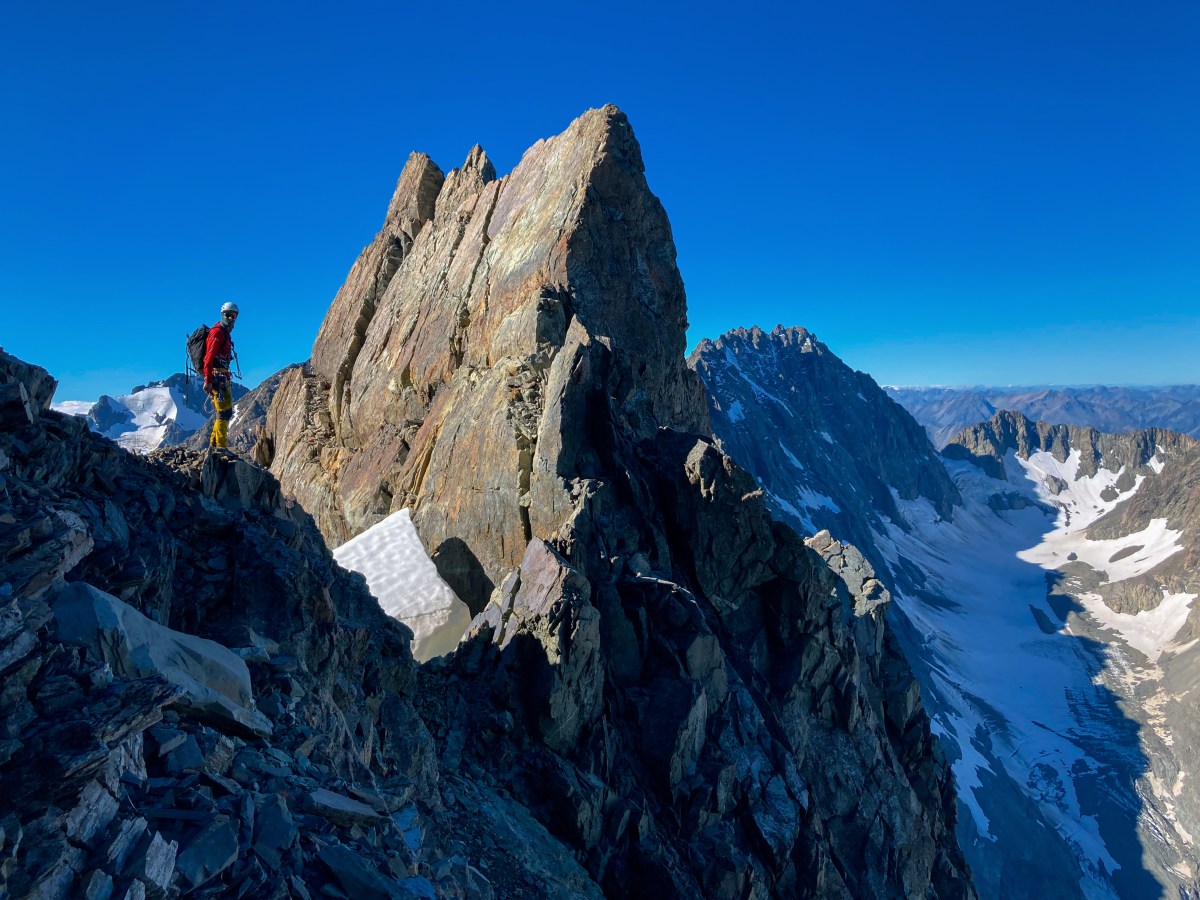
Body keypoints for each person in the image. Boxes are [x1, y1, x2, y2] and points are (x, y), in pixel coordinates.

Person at [203, 301, 239, 450]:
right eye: (228, 315)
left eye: (233, 316)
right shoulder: (217, 332)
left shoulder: (224, 333)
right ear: (222, 314)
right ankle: (221, 446)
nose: (230, 318)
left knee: (222, 412)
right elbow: (208, 358)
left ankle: (214, 444)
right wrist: (208, 380)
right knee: (225, 412)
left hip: (222, 377)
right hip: (218, 377)